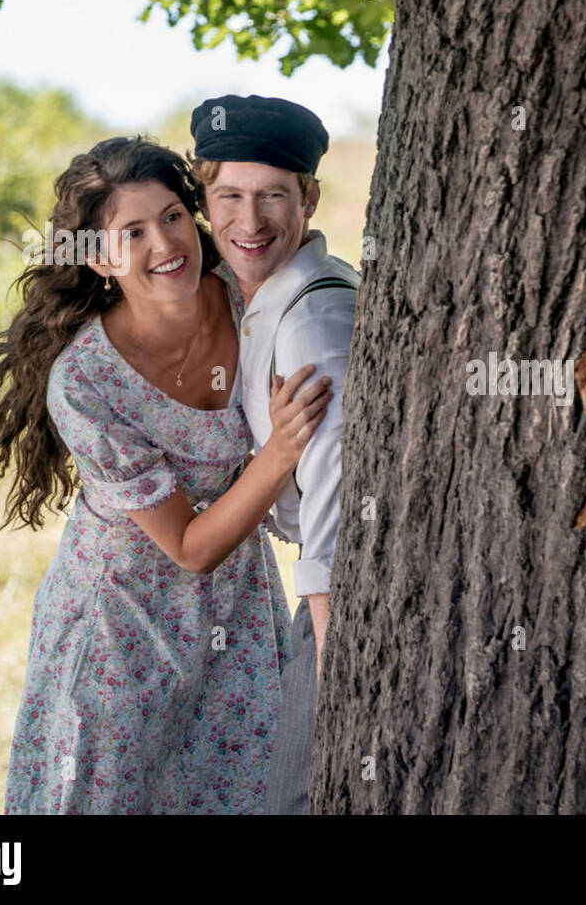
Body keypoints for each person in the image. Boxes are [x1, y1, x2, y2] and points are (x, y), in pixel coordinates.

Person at [0, 136, 333, 813]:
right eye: (133, 232)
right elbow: (189, 548)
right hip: (121, 622)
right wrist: (277, 457)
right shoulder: (86, 383)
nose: (164, 244)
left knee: (237, 792)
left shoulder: (246, 302)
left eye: (174, 216)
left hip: (237, 610)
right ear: (99, 258)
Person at [188, 95, 359, 814]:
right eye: (229, 195)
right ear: (204, 197)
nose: (248, 222)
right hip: (317, 590)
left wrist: (331, 651)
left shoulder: (314, 315)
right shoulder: (256, 294)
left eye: (272, 197)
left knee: (294, 795)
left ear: (310, 198)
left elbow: (336, 487)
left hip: (339, 595)